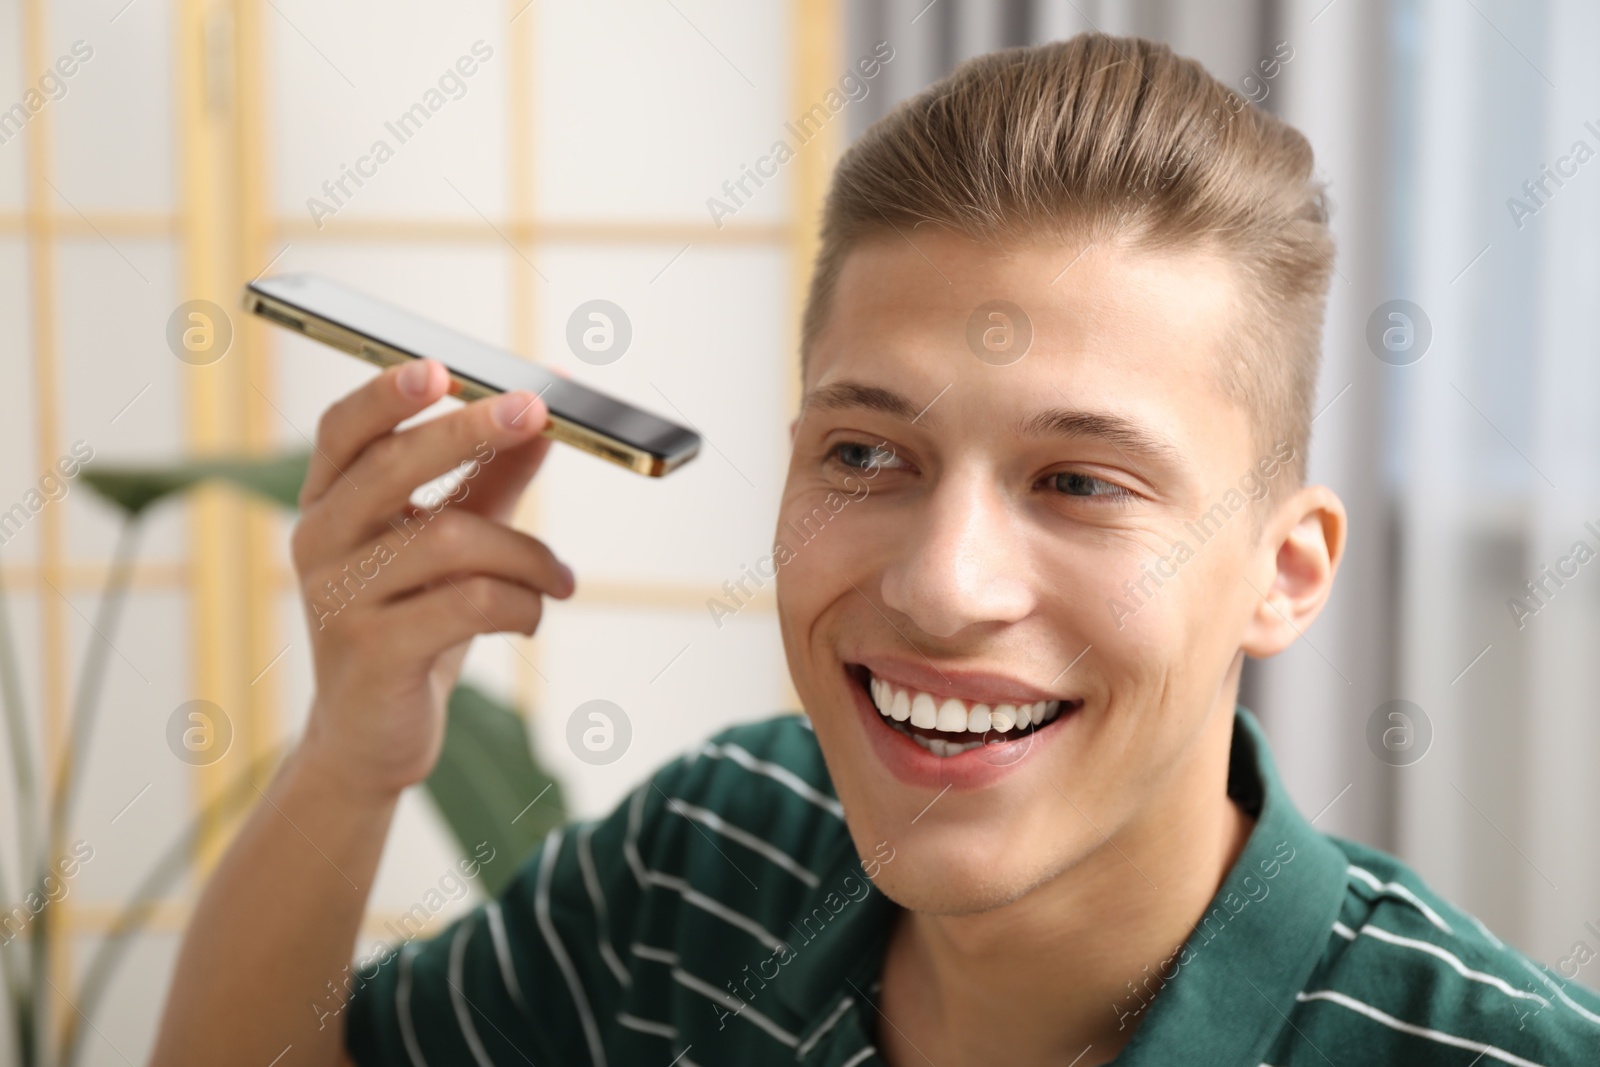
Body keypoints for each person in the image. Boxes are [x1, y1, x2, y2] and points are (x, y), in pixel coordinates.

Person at [151, 32, 1600, 1066]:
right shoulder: (710, 856)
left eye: (1081, 481)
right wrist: (353, 750)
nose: (937, 584)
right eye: (865, 454)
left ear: (1283, 571)